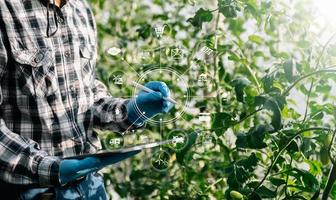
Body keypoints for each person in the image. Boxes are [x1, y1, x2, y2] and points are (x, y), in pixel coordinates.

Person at [0, 0, 173, 199]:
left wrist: (132, 110)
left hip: (90, 187)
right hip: (31, 192)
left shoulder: (80, 9)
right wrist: (51, 168)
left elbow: (88, 95)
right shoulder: (6, 10)